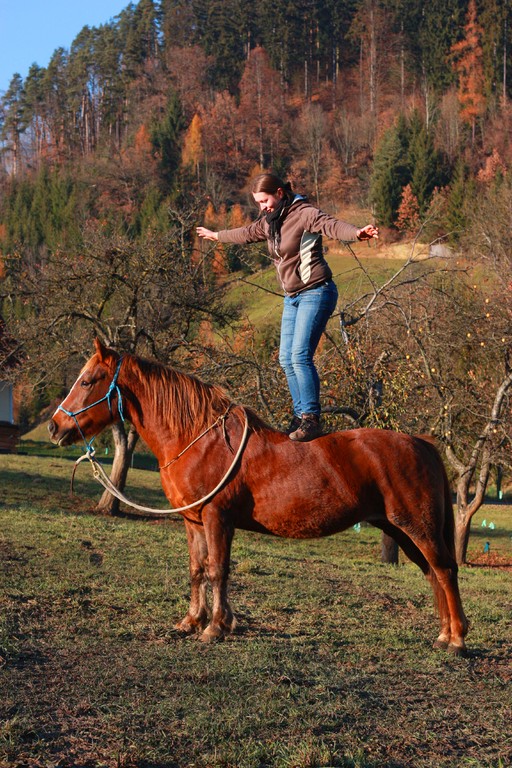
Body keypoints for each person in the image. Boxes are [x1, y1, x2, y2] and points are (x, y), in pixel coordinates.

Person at [197, 173, 378, 442]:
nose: (263, 207)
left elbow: (331, 225)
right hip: (292, 298)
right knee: (285, 358)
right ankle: (299, 414)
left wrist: (356, 233)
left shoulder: (303, 213)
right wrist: (217, 236)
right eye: (258, 203)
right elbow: (246, 233)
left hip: (316, 292)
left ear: (280, 193)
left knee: (300, 356)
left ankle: (310, 419)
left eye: (265, 200)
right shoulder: (271, 221)